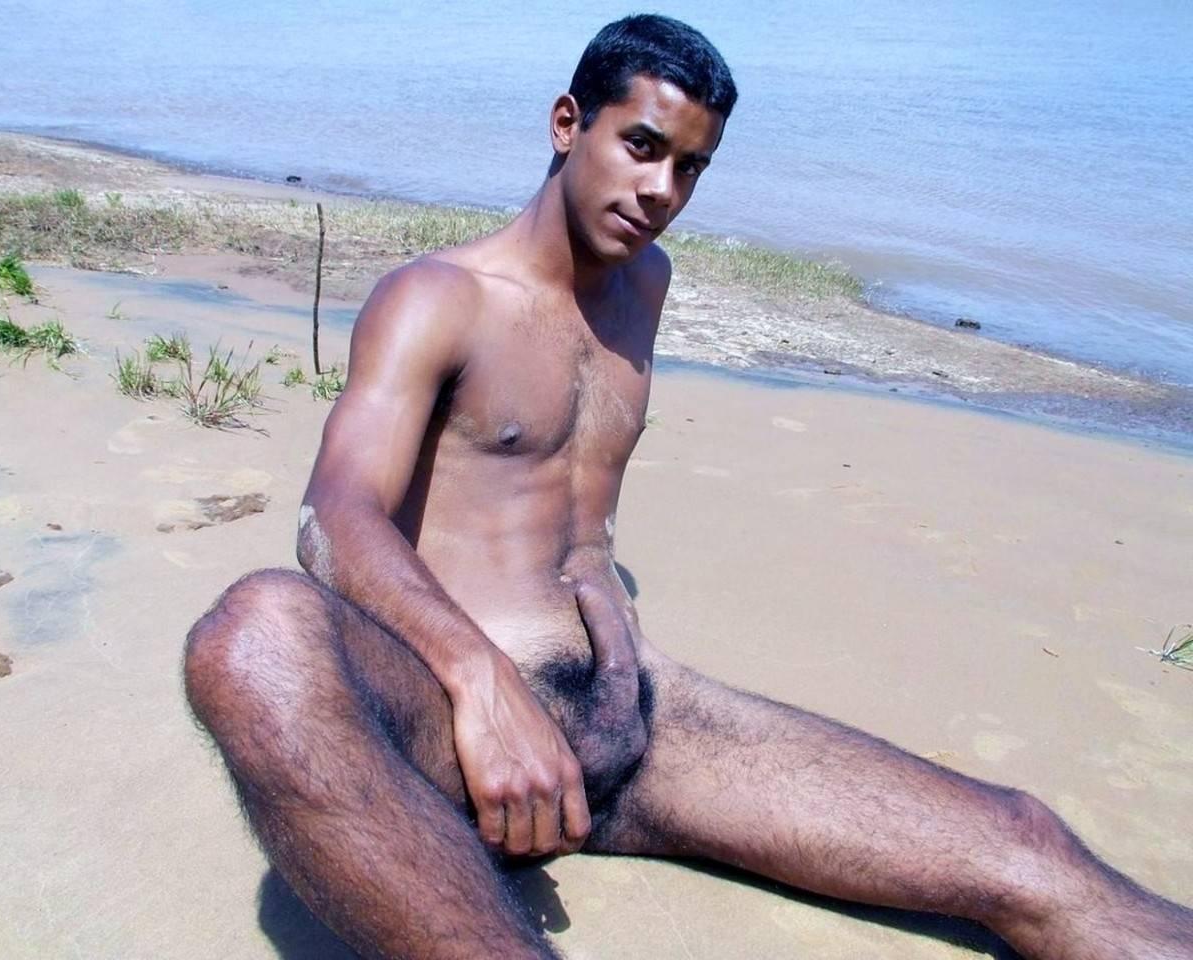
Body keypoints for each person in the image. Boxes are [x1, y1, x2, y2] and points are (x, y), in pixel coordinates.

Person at [183, 15, 1193, 959]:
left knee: (1022, 843)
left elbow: (576, 510)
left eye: (690, 166)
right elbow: (335, 516)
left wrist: (612, 624)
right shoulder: (437, 298)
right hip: (459, 724)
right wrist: (480, 681)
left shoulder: (645, 285)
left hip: (639, 722)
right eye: (641, 146)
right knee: (254, 638)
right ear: (567, 124)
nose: (661, 188)